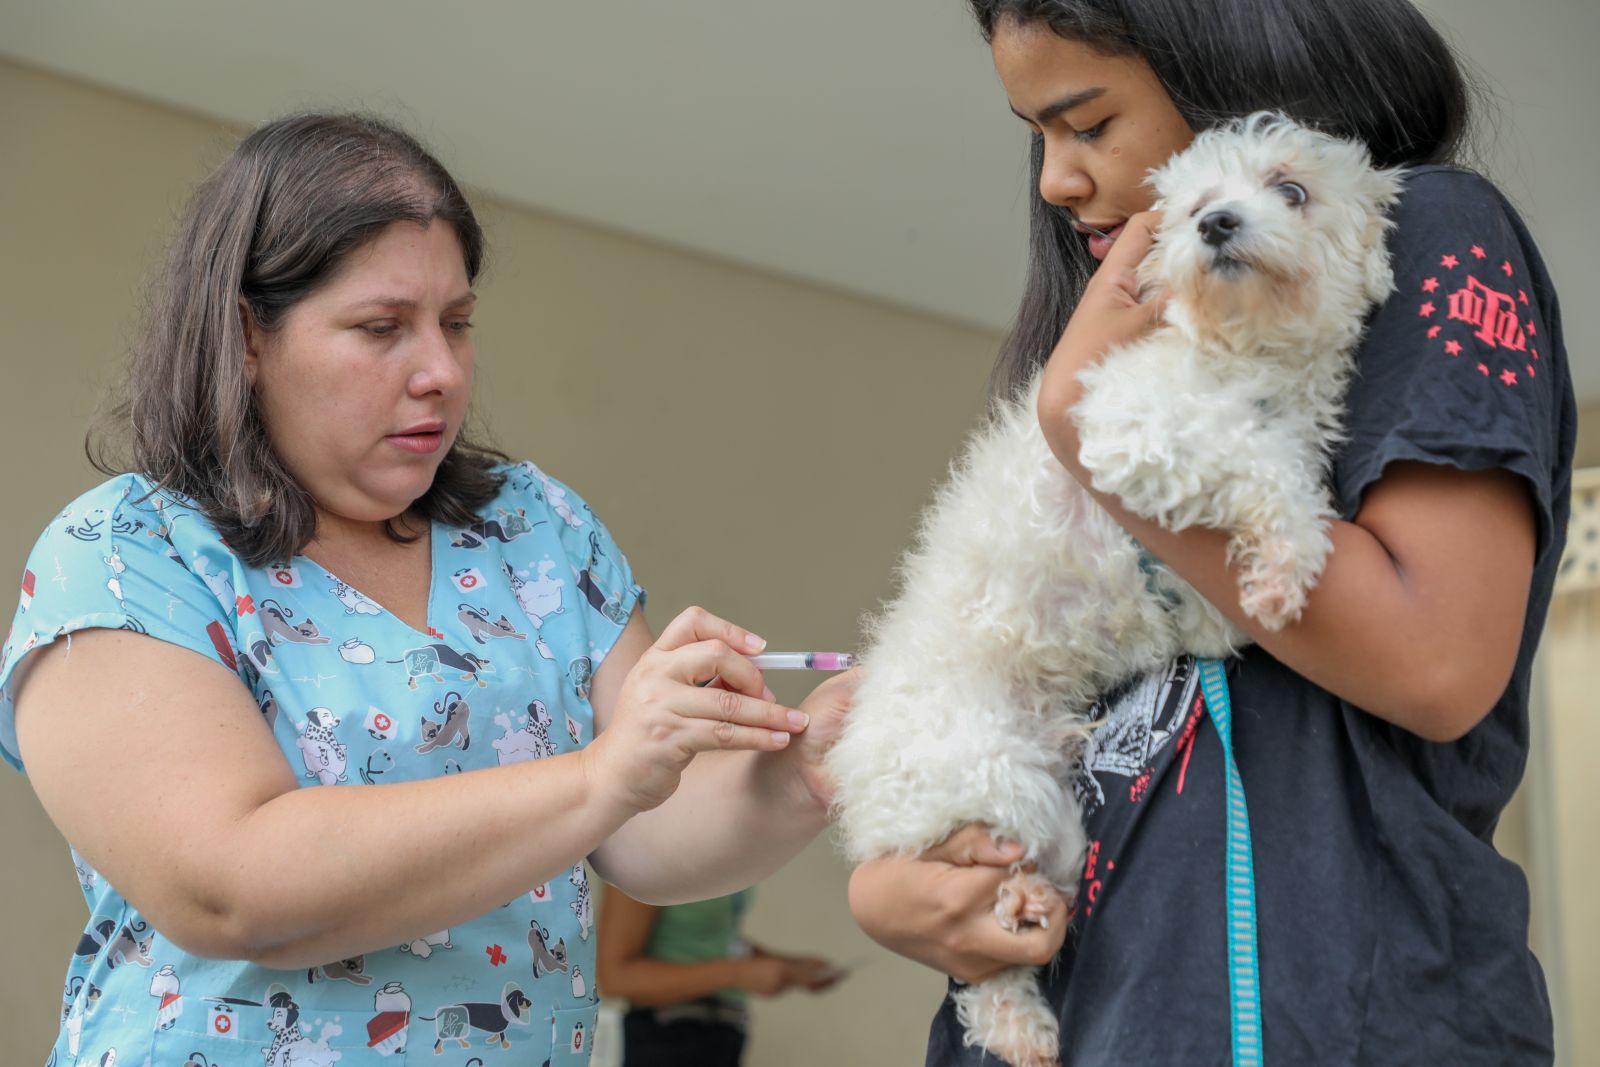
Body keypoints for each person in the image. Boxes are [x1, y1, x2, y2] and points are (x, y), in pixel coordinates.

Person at [1, 112, 854, 1067]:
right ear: (245, 335)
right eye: (382, 328)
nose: (443, 371)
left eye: (456, 323)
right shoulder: (125, 551)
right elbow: (231, 887)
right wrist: (598, 774)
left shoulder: (535, 527)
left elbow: (650, 827)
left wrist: (806, 768)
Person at [845, 2, 1574, 1064]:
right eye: (1038, 137)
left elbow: (1435, 659)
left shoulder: (1421, 226)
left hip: (1331, 1018)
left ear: (1239, 66)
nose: (1054, 180)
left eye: (1088, 124)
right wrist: (895, 889)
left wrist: (1082, 422)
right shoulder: (1132, 347)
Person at [596, 886, 843, 1066]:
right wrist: (737, 973)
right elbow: (615, 977)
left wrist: (790, 966)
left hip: (725, 1033)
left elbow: (718, 942)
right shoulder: (645, 853)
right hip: (668, 1035)